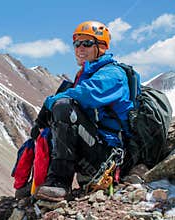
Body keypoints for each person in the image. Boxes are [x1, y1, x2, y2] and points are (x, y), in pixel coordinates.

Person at [31, 20, 141, 201]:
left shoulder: (113, 74)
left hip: (108, 157)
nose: (80, 48)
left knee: (64, 107)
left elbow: (86, 94)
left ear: (102, 46)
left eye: (87, 43)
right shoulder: (86, 75)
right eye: (77, 44)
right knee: (57, 116)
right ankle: (37, 182)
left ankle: (60, 182)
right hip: (94, 149)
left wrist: (48, 104)